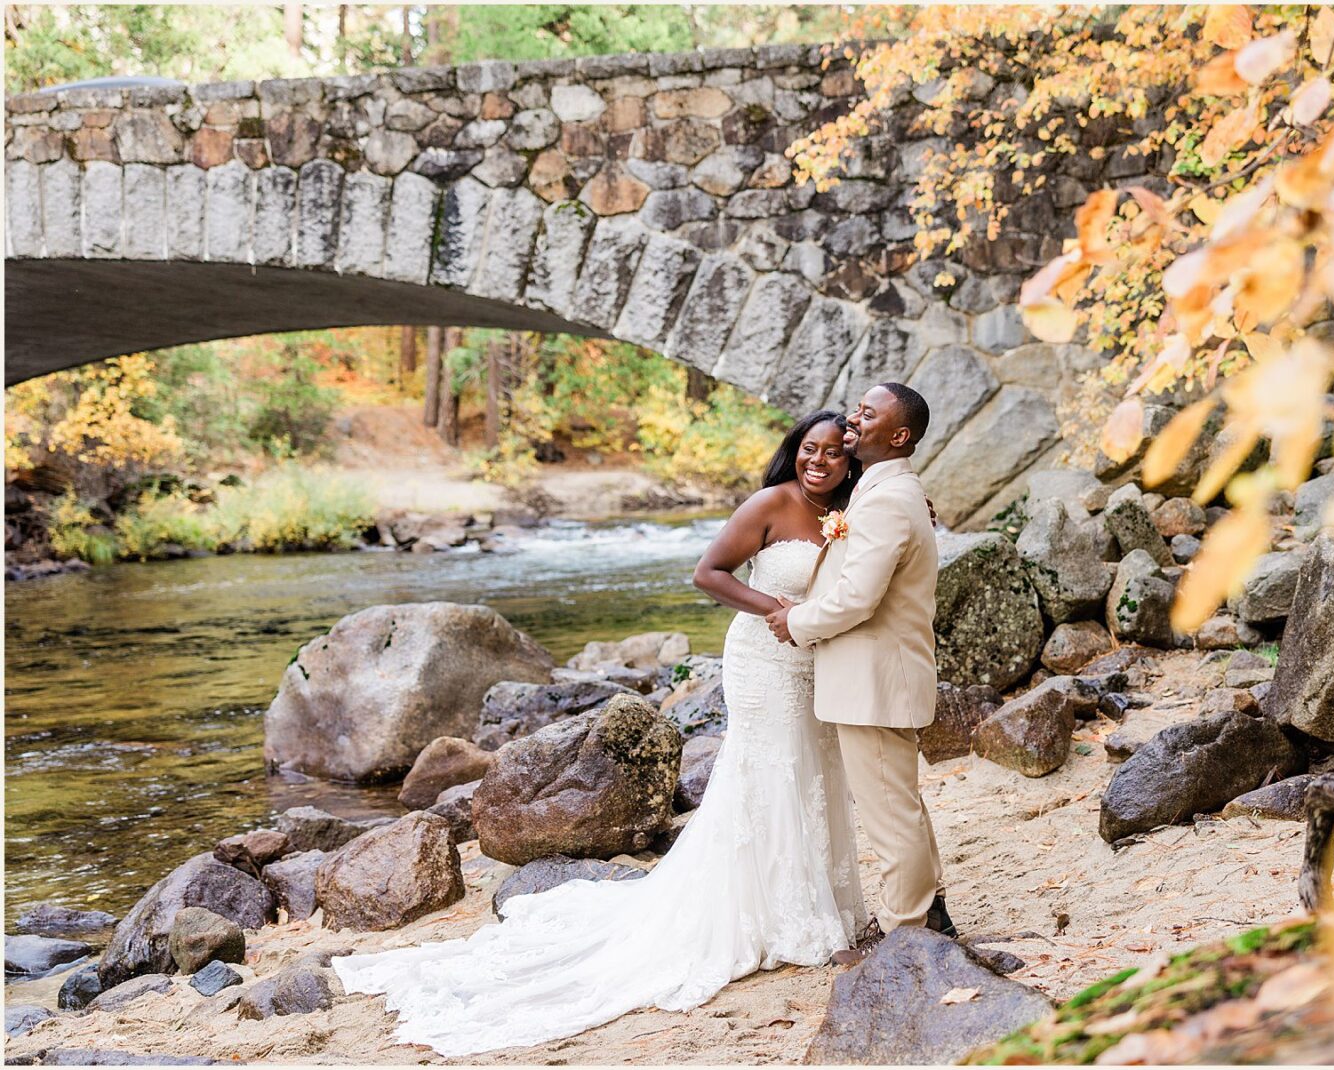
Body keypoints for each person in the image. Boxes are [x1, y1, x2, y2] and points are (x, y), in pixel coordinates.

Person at [330, 410, 867, 1056]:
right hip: (762, 657)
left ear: (849, 461)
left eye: (834, 453)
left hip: (811, 664)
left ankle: (818, 901)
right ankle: (785, 917)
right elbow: (709, 573)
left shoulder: (849, 510)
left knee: (812, 768)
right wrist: (777, 607)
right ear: (795, 450)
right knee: (771, 768)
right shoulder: (771, 502)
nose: (819, 461)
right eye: (810, 448)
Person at [765, 383, 955, 965]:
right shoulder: (884, 492)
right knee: (901, 804)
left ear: (898, 437)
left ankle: (905, 940)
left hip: (874, 682)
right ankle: (932, 915)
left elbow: (856, 599)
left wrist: (795, 620)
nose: (853, 417)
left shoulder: (888, 500)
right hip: (881, 677)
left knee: (890, 815)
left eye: (868, 414)